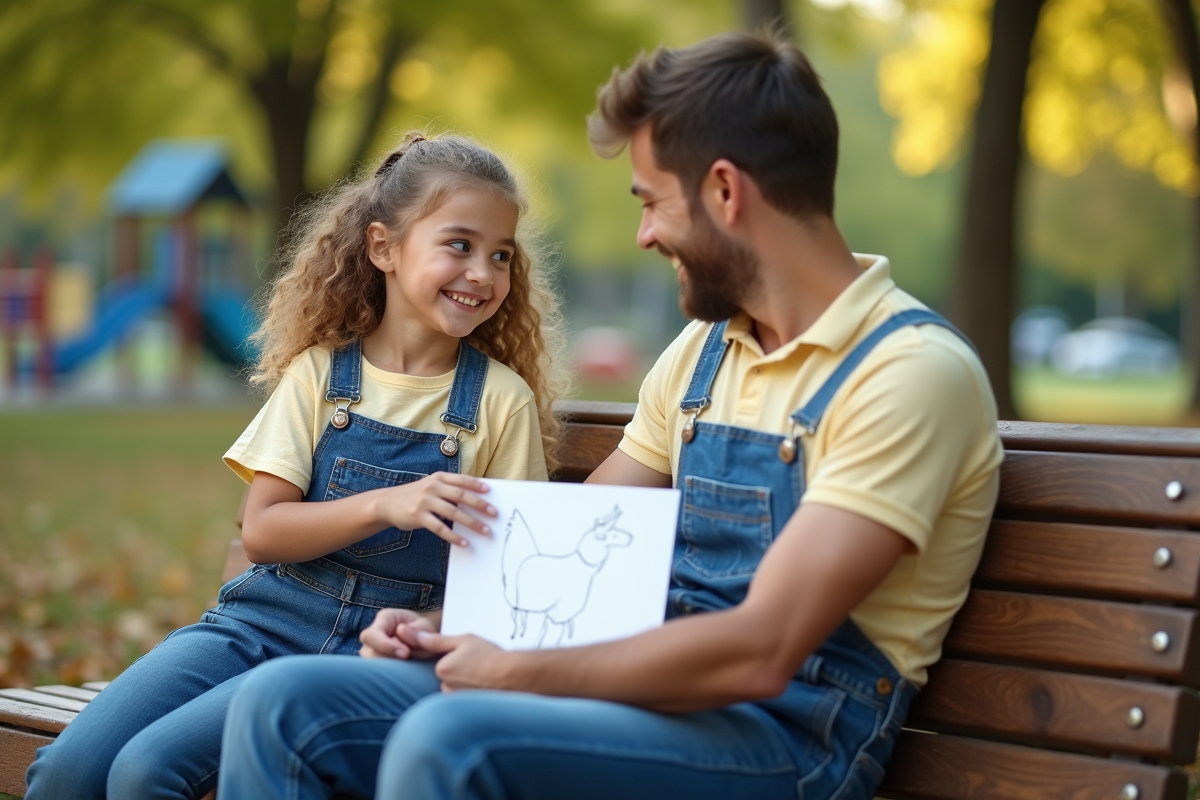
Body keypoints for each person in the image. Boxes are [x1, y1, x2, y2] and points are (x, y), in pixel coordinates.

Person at [216, 29, 1004, 800]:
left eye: (653, 202)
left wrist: (515, 672)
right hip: (637, 689)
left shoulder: (907, 376)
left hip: (782, 737)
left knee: (451, 743)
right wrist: (435, 620)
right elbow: (578, 534)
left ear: (726, 192)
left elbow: (761, 652)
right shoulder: (704, 354)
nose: (644, 234)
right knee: (280, 706)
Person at [23, 132, 566, 800]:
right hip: (259, 624)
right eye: (459, 244)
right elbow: (263, 531)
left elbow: (503, 585)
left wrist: (428, 627)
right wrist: (384, 503)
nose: (483, 273)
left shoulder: (499, 403)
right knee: (66, 772)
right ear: (383, 247)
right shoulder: (320, 378)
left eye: (501, 254)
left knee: (146, 773)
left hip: (371, 655)